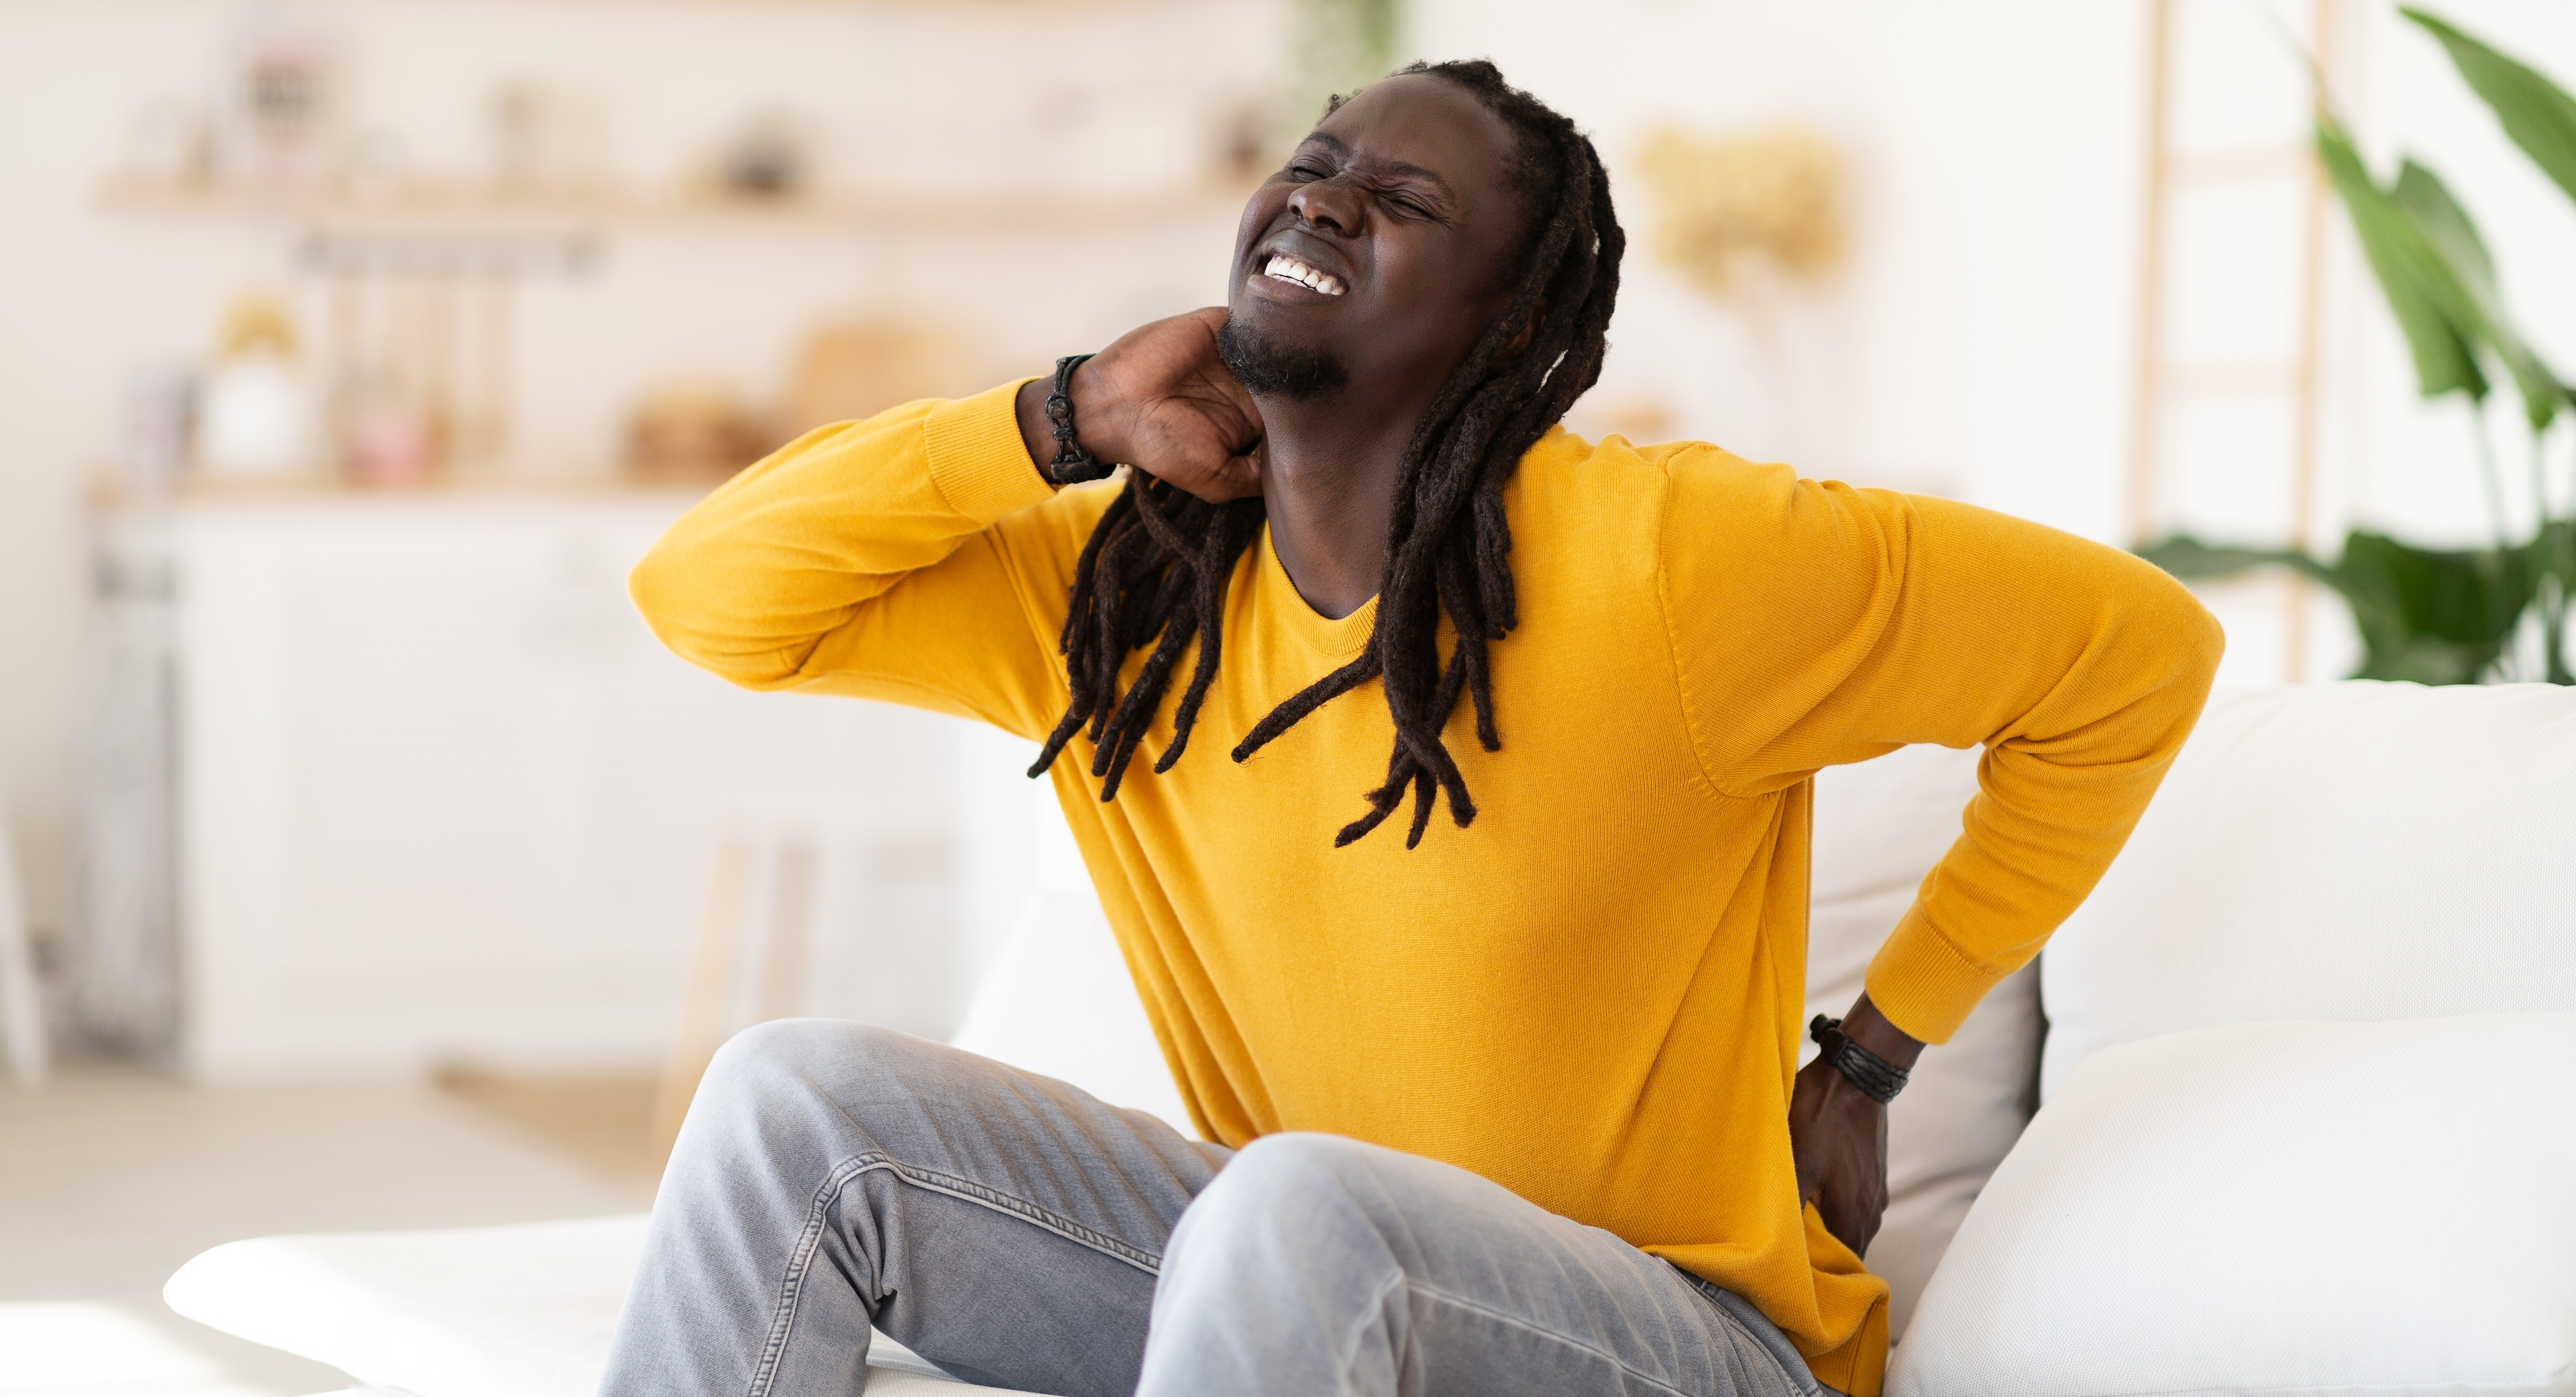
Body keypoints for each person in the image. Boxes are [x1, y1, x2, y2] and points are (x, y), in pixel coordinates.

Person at [606, 59, 2221, 1397]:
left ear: (1511, 328)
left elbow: (2138, 654)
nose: (1325, 197)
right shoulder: (1129, 597)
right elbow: (705, 597)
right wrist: (1061, 411)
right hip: (1300, 1284)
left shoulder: (1675, 561)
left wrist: (1873, 1055)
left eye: (1406, 202)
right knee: (788, 1110)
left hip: (1680, 1340)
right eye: (1317, 163)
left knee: (1293, 1203)